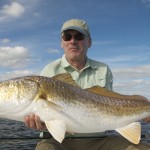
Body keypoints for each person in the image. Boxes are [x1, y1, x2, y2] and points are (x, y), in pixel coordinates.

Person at [24, 19, 150, 150]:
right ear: (62, 43)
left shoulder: (103, 69)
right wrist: (42, 123)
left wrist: (143, 106)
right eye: (67, 37)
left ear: (89, 42)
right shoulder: (49, 71)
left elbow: (112, 103)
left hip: (99, 141)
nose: (73, 41)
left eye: (78, 36)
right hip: (59, 141)